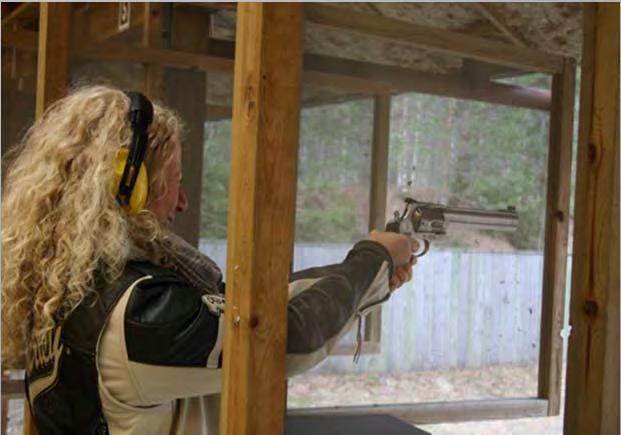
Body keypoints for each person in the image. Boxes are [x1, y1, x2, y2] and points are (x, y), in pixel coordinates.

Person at [1, 86, 418, 434]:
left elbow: (246, 308)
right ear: (129, 184)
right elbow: (282, 336)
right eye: (175, 180)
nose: (182, 202)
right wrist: (374, 256)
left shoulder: (70, 291)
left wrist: (368, 275)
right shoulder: (141, 313)